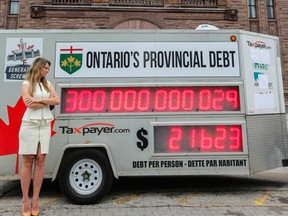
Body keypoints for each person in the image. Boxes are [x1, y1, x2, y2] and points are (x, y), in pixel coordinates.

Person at [18, 57, 60, 216]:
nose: (47, 71)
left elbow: (57, 100)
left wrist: (39, 99)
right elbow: (29, 103)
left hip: (44, 125)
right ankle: (24, 200)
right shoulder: (27, 83)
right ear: (38, 67)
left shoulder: (48, 84)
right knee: (28, 161)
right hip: (29, 124)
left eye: (48, 69)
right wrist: (46, 102)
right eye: (45, 68)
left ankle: (35, 200)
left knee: (41, 160)